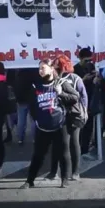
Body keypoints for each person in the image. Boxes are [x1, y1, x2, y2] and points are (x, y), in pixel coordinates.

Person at [21, 59, 79, 189]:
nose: (40, 70)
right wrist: (37, 119)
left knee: (64, 152)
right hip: (43, 126)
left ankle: (64, 179)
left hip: (60, 124)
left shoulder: (61, 83)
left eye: (43, 67)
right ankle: (29, 180)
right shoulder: (36, 86)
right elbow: (32, 105)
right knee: (38, 154)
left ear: (52, 68)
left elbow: (75, 97)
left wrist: (61, 93)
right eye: (39, 68)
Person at [46, 55, 88, 181]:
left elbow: (82, 96)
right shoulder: (53, 79)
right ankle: (54, 172)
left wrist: (84, 111)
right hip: (57, 114)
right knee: (57, 144)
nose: (54, 68)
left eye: (56, 65)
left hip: (73, 114)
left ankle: (75, 172)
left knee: (73, 143)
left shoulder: (75, 78)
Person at [74, 48, 98, 159]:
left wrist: (95, 77)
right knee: (79, 126)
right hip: (79, 101)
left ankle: (85, 149)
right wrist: (83, 79)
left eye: (90, 61)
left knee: (89, 126)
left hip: (90, 98)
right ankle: (76, 148)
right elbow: (72, 85)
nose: (88, 63)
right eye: (86, 61)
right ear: (80, 58)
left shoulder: (92, 67)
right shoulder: (75, 69)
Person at [14, 68, 38, 144]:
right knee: (33, 119)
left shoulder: (18, 75)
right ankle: (35, 138)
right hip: (32, 99)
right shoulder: (33, 72)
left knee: (21, 120)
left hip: (21, 100)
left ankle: (20, 138)